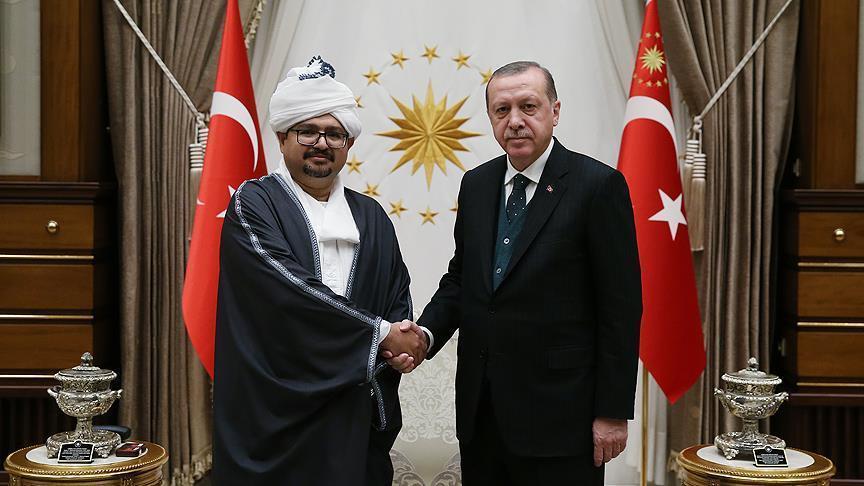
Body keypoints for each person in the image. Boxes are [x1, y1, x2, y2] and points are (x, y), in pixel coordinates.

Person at [398, 61, 642, 484]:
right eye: (501, 110)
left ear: (555, 111)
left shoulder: (598, 186)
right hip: (482, 414)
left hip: (562, 419)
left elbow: (620, 309)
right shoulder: (476, 185)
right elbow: (462, 279)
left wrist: (612, 412)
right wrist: (425, 334)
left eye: (528, 106)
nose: (514, 121)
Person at [212, 56, 428, 484]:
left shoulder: (371, 216)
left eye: (334, 133)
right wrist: (381, 334)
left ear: (348, 143)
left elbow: (395, 294)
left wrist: (399, 344)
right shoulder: (254, 203)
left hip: (352, 416)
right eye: (307, 131)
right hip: (275, 417)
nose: (321, 143)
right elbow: (288, 292)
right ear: (282, 137)